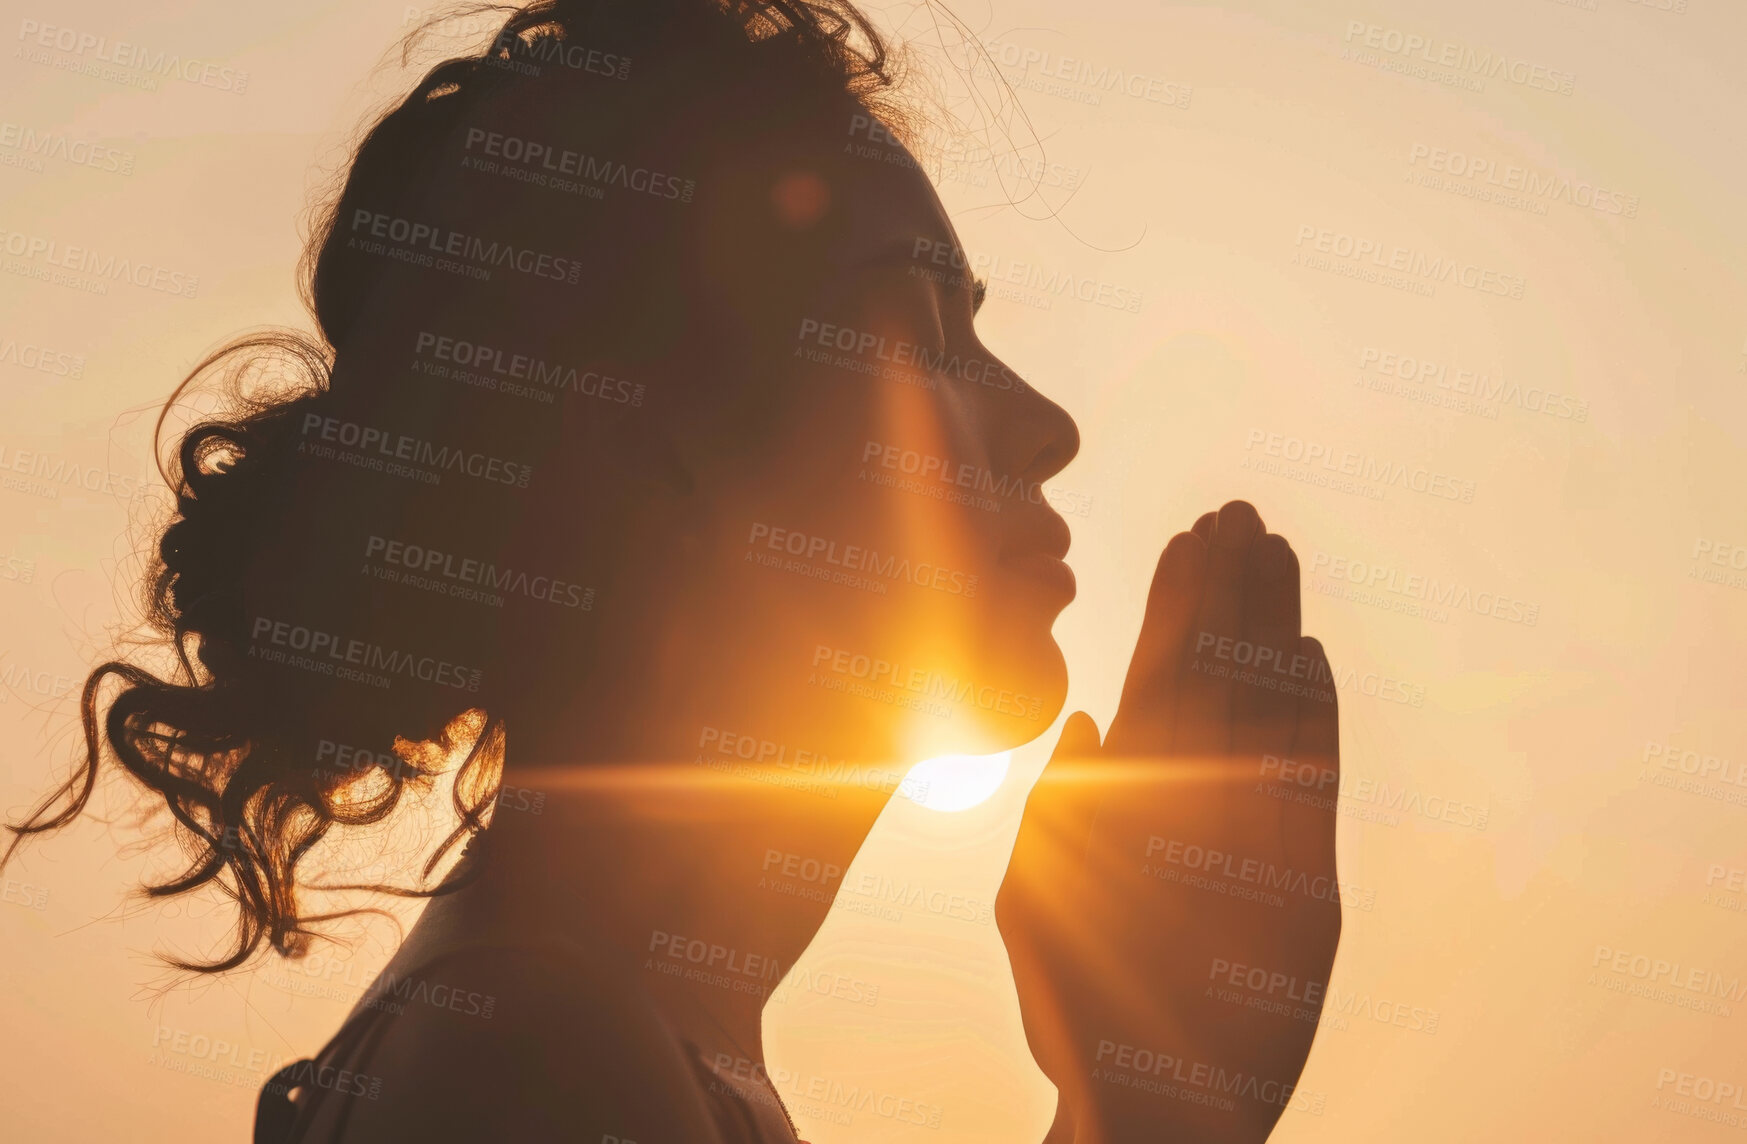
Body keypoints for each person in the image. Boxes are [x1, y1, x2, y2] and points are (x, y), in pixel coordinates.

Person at [3, 2, 1341, 1141]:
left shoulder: (603, 1028)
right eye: (919, 334)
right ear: (656, 441)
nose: (1047, 426)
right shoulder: (534, 1064)